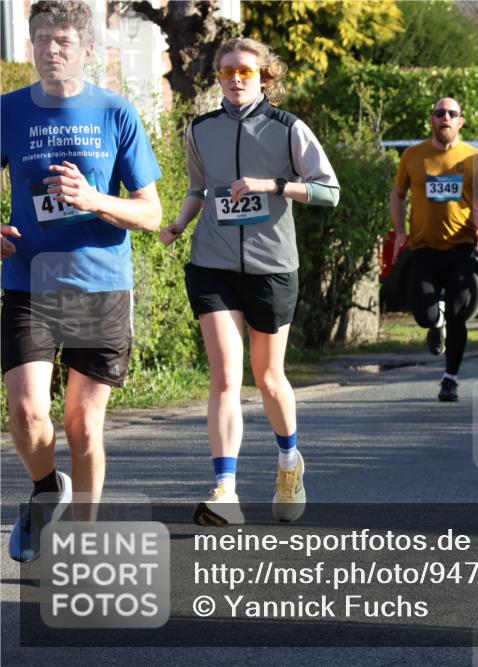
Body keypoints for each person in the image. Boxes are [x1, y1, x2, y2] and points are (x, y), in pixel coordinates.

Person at [2, 0, 163, 561]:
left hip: (99, 283)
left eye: (64, 40)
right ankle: (49, 489)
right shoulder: (9, 111)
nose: (51, 49)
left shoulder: (115, 113)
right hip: (29, 280)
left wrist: (94, 199)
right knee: (25, 412)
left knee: (83, 425)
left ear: (89, 50)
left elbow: (152, 213)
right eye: (41, 38)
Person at [159, 37, 339, 526]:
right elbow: (200, 189)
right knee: (223, 377)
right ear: (216, 77)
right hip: (211, 264)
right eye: (227, 72)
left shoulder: (288, 129)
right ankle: (225, 489)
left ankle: (288, 462)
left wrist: (273, 185)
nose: (236, 79)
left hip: (271, 268)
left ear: (264, 76)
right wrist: (180, 222)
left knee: (268, 378)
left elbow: (329, 192)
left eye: (246, 71)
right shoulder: (200, 129)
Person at [390, 98, 478, 402]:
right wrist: (400, 232)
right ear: (432, 120)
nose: (445, 118)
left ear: (461, 121)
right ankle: (435, 324)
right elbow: (397, 195)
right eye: (440, 113)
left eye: (452, 114)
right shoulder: (414, 156)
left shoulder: (475, 158)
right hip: (423, 249)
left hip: (461, 249)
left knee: (458, 315)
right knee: (424, 315)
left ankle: (450, 379)